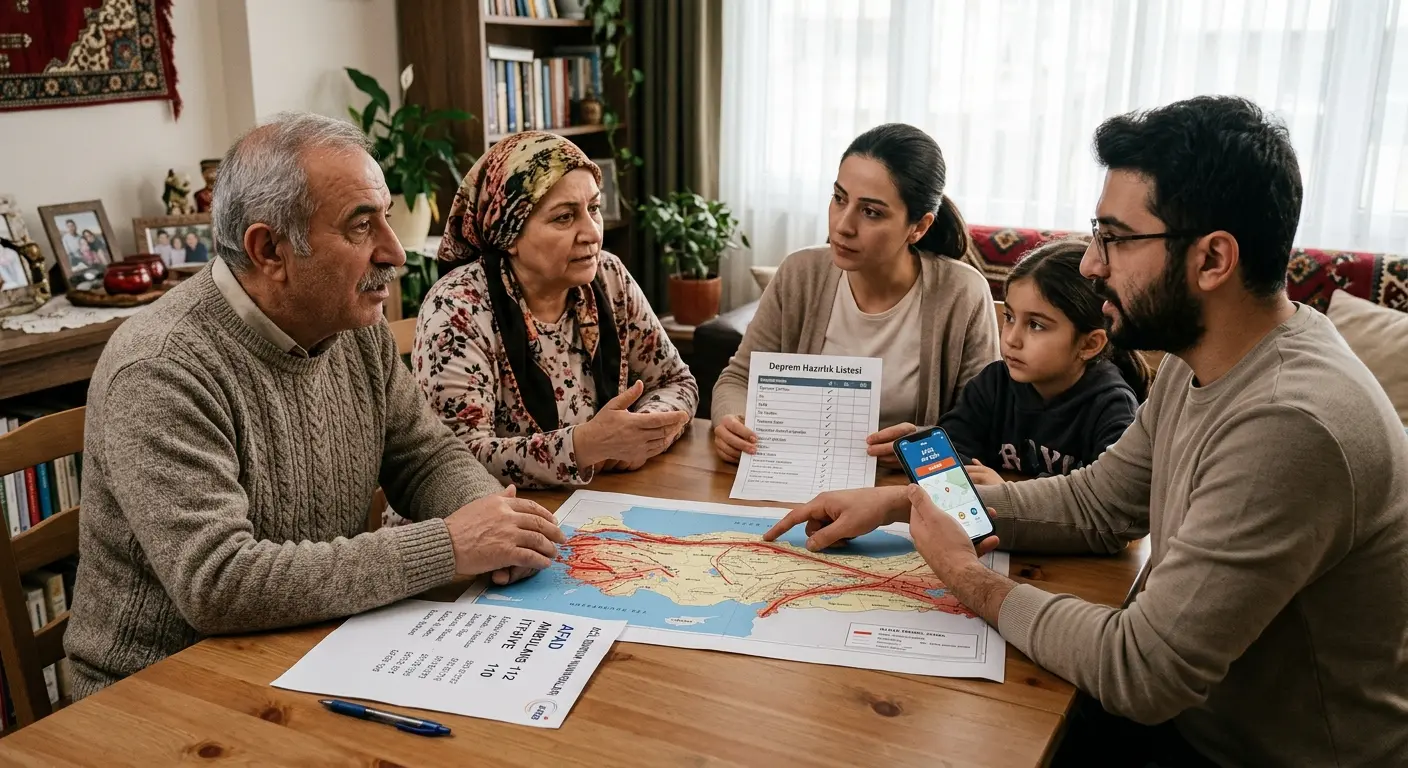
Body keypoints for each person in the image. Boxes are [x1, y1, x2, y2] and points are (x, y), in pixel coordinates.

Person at [763, 96, 1408, 766]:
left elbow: (1143, 670)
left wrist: (963, 573)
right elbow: (1098, 504)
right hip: (1192, 725)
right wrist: (908, 502)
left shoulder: (1288, 423)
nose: (1093, 264)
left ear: (1213, 260)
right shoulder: (1207, 362)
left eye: (1115, 238)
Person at [65, 112, 566, 698]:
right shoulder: (161, 367)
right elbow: (219, 582)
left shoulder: (353, 322)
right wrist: (449, 547)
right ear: (269, 249)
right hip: (157, 693)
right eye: (361, 226)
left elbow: (425, 457)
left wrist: (496, 525)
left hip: (313, 649)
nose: (395, 251)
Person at [415, 131, 695, 489]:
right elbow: (455, 461)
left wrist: (639, 436)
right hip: (477, 523)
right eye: (564, 218)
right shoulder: (457, 307)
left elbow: (675, 381)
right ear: (509, 235)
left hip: (588, 504)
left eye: (593, 209)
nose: (592, 233)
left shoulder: (609, 277)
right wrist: (584, 446)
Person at [711, 123, 998, 467]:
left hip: (905, 494)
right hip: (796, 478)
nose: (843, 225)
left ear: (919, 227)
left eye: (871, 212)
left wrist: (917, 449)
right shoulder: (800, 273)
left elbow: (985, 429)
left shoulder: (963, 293)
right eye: (839, 199)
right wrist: (730, 421)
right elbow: (738, 378)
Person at [940, 239, 1147, 485]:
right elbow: (949, 452)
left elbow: (1106, 497)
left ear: (1089, 345)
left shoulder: (1112, 406)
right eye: (1009, 317)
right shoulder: (993, 384)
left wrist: (1008, 492)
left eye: (1036, 325)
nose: (1012, 339)